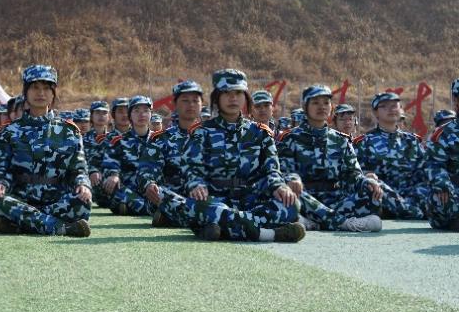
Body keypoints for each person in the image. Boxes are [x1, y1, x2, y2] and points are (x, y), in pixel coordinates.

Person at [179, 69, 305, 242]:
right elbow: (192, 167)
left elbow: (272, 169)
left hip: (252, 199)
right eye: (227, 93)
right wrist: (196, 184)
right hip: (214, 198)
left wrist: (279, 186)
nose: (233, 98)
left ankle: (222, 227)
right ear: (217, 97)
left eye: (238, 93)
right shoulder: (202, 132)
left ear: (245, 97)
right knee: (193, 205)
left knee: (292, 204)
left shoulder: (259, 132)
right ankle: (269, 234)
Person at [0, 65, 91, 237]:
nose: (40, 93)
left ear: (53, 93)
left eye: (46, 88)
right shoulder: (10, 132)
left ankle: (21, 224)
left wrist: (83, 184)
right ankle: (61, 227)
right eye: (35, 87)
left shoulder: (69, 131)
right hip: (20, 200)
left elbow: (78, 169)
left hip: (57, 201)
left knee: (83, 201)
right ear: (25, 92)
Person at [278, 85, 383, 232]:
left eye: (326, 103)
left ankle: (315, 223)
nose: (321, 107)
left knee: (372, 191)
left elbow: (354, 174)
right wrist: (292, 179)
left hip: (336, 201)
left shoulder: (341, 140)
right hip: (305, 199)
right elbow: (283, 171)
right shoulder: (290, 138)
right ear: (305, 107)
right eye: (315, 103)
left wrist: (367, 182)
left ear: (331, 107)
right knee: (286, 194)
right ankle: (344, 224)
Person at [139, 81, 205, 229]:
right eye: (185, 100)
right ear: (175, 104)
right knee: (159, 194)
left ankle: (177, 217)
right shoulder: (162, 139)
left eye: (195, 100)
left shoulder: (214, 136)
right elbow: (146, 169)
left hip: (205, 195)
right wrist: (149, 183)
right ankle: (207, 219)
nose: (191, 105)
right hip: (173, 195)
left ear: (202, 104)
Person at [353, 92, 427, 220]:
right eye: (384, 106)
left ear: (401, 109)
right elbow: (356, 171)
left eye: (394, 106)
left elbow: (425, 169)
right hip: (383, 195)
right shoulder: (365, 141)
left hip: (411, 193)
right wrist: (367, 175)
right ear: (375, 112)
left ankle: (408, 210)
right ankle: (413, 212)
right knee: (371, 185)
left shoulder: (412, 140)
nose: (391, 109)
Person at [100, 95, 156, 216]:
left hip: (153, 188)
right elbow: (110, 164)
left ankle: (140, 207)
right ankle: (155, 210)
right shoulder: (119, 141)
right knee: (115, 189)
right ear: (130, 115)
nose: (142, 114)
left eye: (146, 111)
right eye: (137, 111)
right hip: (130, 189)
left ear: (151, 114)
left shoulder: (160, 140)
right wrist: (113, 175)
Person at [426, 79, 459, 230]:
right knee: (439, 197)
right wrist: (442, 184)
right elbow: (433, 165)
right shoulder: (442, 134)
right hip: (453, 192)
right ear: (455, 100)